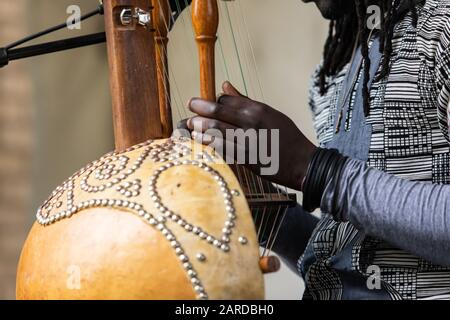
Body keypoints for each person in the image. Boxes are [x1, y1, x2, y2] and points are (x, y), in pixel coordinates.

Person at [179, 0, 450, 300]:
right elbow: (350, 257)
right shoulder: (331, 77)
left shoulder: (440, 30)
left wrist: (314, 170)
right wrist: (259, 210)